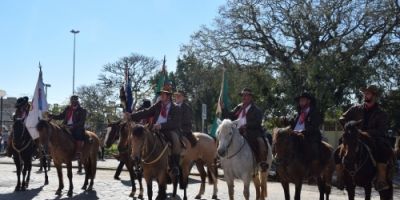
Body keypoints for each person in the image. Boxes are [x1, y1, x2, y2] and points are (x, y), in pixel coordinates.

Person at [334, 85, 392, 191]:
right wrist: (349, 127)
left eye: (368, 93)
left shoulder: (382, 113)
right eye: (364, 93)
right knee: (337, 152)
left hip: (373, 139)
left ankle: (381, 180)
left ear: (374, 96)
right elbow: (342, 118)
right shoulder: (356, 108)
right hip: (355, 137)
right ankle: (339, 178)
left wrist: (365, 133)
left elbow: (381, 130)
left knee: (383, 150)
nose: (365, 95)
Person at [125, 87, 182, 176]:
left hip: (169, 129)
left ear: (168, 96)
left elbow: (175, 123)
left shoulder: (175, 108)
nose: (161, 96)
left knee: (175, 140)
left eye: (164, 94)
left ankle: (174, 165)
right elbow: (146, 112)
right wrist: (131, 116)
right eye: (161, 94)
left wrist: (161, 125)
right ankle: (140, 163)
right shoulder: (158, 105)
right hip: (154, 128)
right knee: (141, 139)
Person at [223, 88, 268, 171]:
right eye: (243, 95)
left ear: (251, 97)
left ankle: (262, 162)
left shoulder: (256, 110)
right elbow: (231, 116)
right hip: (237, 131)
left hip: (251, 132)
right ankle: (222, 158)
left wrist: (247, 126)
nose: (244, 97)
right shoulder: (239, 107)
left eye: (246, 95)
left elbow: (257, 122)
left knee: (261, 143)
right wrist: (223, 108)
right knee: (223, 137)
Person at [49, 95, 87, 160]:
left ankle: (78, 152)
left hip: (76, 127)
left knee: (78, 135)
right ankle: (52, 152)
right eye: (72, 100)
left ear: (77, 101)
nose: (73, 102)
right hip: (65, 126)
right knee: (56, 134)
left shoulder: (82, 110)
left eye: (75, 100)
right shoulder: (67, 108)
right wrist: (51, 116)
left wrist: (73, 126)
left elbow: (81, 122)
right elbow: (61, 116)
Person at [290, 92, 322, 169]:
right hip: (295, 134)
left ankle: (314, 165)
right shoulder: (299, 112)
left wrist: (303, 131)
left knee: (313, 147)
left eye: (303, 100)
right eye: (300, 101)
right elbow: (294, 125)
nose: (300, 102)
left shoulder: (314, 111)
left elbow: (315, 126)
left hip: (309, 135)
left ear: (308, 101)